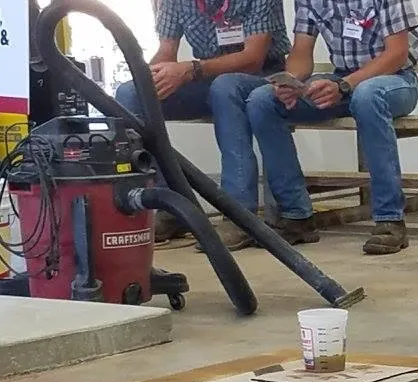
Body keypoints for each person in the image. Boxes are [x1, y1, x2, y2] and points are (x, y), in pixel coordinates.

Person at [244, 0, 418, 255]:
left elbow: (397, 54)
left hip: (394, 80)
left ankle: (389, 220)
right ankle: (296, 216)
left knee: (367, 96)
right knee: (262, 101)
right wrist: (290, 82)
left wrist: (344, 86)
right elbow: (301, 53)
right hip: (343, 79)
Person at [116, 0, 291, 249]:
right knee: (130, 94)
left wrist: (190, 70)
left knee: (225, 87)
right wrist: (150, 76)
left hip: (258, 77)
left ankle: (239, 215)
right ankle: (171, 205)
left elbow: (253, 58)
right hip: (205, 75)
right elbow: (166, 51)